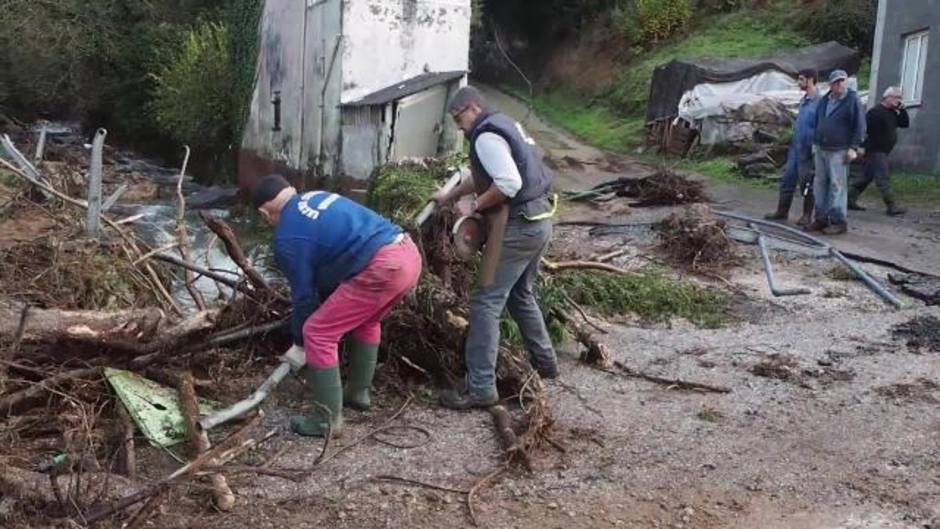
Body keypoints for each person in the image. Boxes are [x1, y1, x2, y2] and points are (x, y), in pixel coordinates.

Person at [252, 174, 422, 437]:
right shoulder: (316, 196)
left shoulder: (286, 237)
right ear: (292, 190)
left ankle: (326, 421)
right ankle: (358, 393)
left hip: (383, 266)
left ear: (265, 213)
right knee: (367, 320)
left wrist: (299, 343)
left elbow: (304, 297)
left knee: (318, 333)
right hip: (408, 253)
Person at [433, 86, 558, 409]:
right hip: (540, 219)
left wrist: (474, 207)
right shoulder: (503, 123)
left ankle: (481, 388)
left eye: (459, 118)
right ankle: (545, 363)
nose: (459, 127)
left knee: (485, 301)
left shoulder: (486, 137)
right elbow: (487, 175)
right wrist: (448, 197)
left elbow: (507, 183)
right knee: (520, 294)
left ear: (472, 108)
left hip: (517, 226)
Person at [806, 69, 866, 235]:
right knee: (819, 184)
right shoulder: (825, 100)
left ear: (846, 82)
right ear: (831, 85)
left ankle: (839, 221)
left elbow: (860, 126)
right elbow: (818, 121)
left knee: (837, 186)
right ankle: (821, 218)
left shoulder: (852, 100)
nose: (840, 84)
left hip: (839, 150)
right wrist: (815, 143)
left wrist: (853, 148)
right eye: (836, 82)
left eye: (842, 81)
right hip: (820, 148)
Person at [765, 69, 821, 226]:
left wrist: (816, 147)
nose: (799, 82)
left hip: (809, 149)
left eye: (801, 79)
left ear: (810, 80)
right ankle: (782, 211)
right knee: (787, 179)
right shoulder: (804, 101)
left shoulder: (820, 102)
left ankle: (807, 215)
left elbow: (821, 126)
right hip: (796, 146)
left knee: (807, 182)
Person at [849, 86, 910, 216]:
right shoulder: (875, 112)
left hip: (883, 150)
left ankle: (849, 200)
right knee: (883, 177)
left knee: (865, 178)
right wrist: (861, 146)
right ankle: (891, 206)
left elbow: (905, 123)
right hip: (875, 150)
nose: (899, 100)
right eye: (897, 97)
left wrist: (902, 109)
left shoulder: (893, 113)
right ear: (887, 97)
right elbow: (863, 130)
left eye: (900, 98)